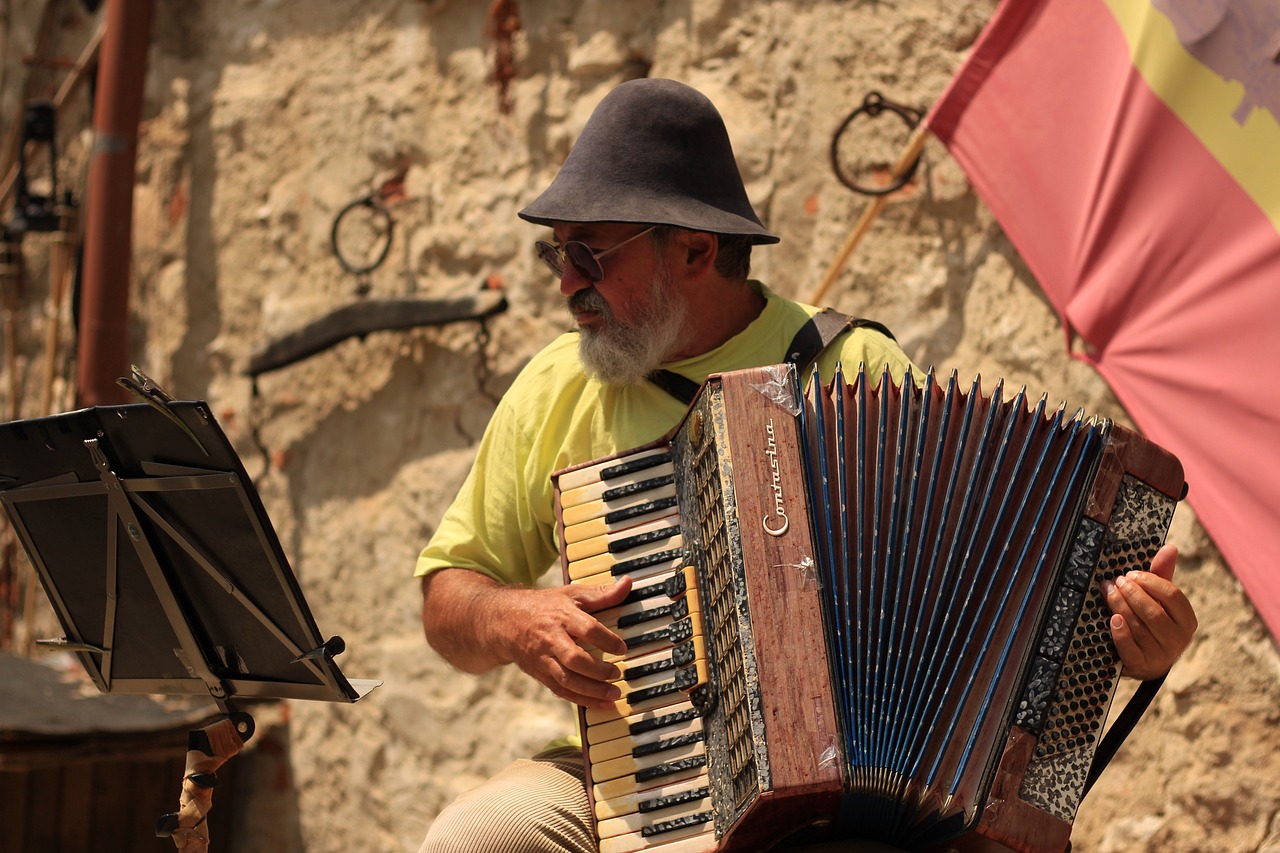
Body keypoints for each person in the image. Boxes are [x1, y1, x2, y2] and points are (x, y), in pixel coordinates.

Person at [414, 78, 1197, 853]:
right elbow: (448, 596)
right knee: (476, 837)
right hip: (631, 780)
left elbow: (983, 614)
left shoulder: (853, 369)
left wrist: (1130, 646)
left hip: (836, 811)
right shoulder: (558, 383)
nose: (566, 282)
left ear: (695, 249)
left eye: (590, 253)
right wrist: (512, 619)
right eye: (557, 251)